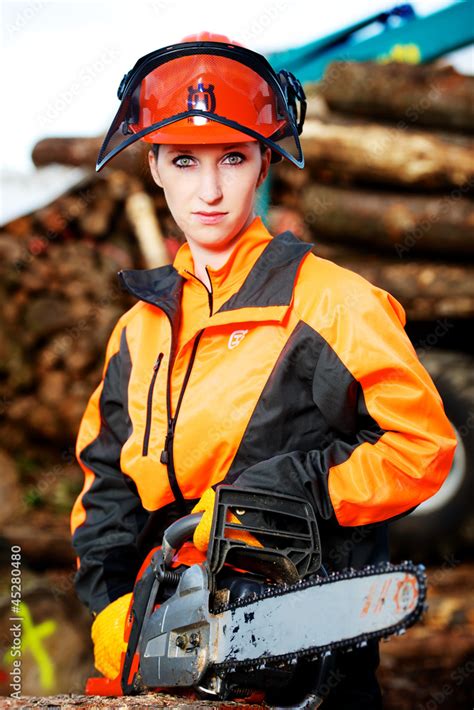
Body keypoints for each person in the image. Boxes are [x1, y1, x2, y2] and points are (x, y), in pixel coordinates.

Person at [70, 31, 457, 707]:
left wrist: (288, 490)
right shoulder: (139, 332)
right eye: (185, 161)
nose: (210, 190)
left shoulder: (335, 304)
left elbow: (422, 449)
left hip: (301, 668)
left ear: (264, 163)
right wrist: (111, 608)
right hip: (167, 666)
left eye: (234, 159)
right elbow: (106, 485)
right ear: (154, 165)